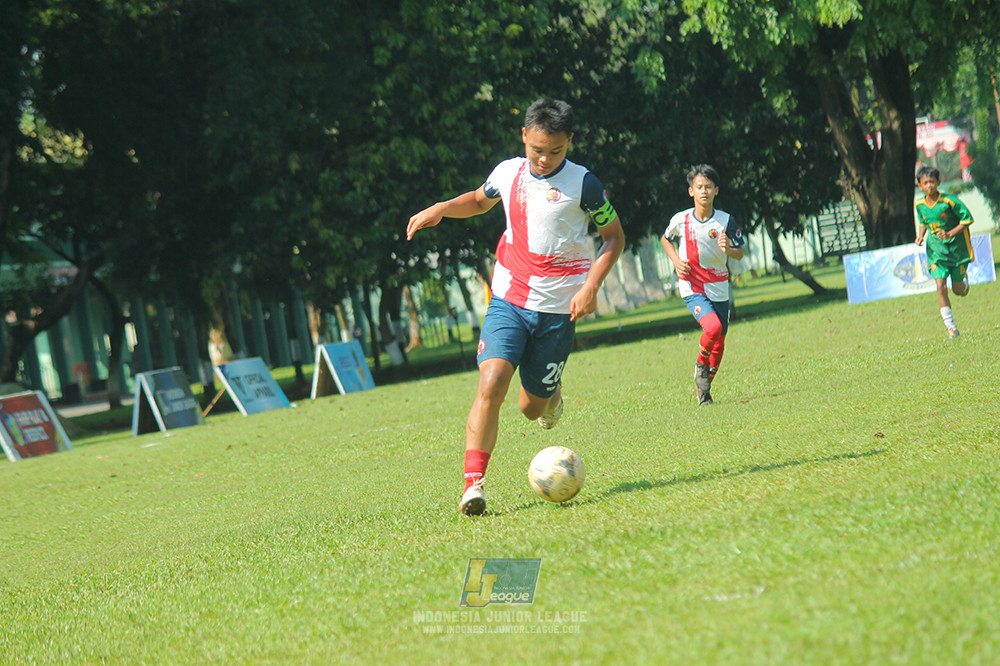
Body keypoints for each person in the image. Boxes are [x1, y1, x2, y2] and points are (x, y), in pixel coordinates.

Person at [406, 98, 625, 516]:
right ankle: (474, 485)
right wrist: (441, 210)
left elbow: (614, 237)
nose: (544, 159)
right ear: (524, 136)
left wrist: (592, 286)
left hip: (559, 310)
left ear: (569, 143)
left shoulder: (585, 185)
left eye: (555, 151)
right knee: (490, 384)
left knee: (531, 408)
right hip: (508, 298)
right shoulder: (508, 172)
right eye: (537, 149)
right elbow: (478, 199)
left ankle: (551, 397)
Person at [660, 164, 745, 406]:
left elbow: (740, 253)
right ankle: (700, 364)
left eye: (709, 187)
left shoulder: (726, 220)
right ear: (691, 191)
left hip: (718, 286)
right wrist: (676, 261)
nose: (704, 191)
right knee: (713, 327)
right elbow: (665, 240)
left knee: (720, 342)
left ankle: (703, 389)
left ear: (716, 190)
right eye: (699, 187)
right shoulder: (681, 219)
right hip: (692, 286)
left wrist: (729, 248)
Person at [913, 165, 973, 339]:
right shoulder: (919, 205)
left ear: (939, 182)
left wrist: (950, 233)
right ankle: (951, 327)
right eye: (926, 183)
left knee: (957, 289)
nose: (929, 185)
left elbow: (967, 219)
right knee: (940, 286)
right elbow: (923, 221)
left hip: (956, 249)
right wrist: (920, 236)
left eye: (932, 182)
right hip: (936, 251)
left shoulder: (949, 201)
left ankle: (964, 283)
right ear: (920, 185)